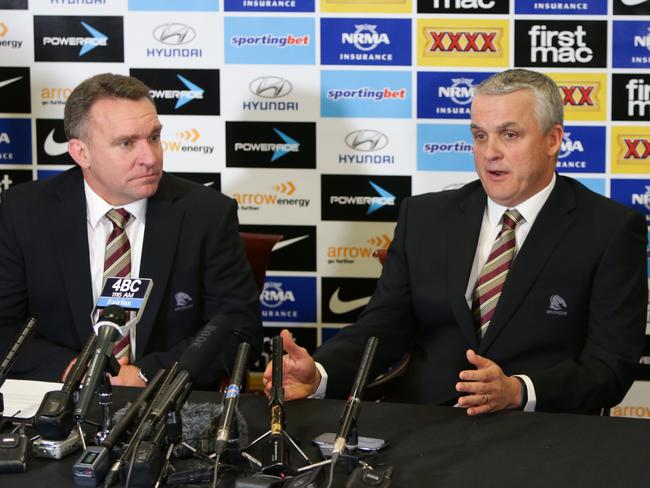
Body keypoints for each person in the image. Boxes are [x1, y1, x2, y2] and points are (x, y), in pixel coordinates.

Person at [264, 69, 648, 415]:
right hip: (426, 421)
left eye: (509, 135)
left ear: (553, 140)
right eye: (480, 136)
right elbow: (384, 326)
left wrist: (518, 391)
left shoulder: (610, 229)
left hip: (540, 429)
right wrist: (319, 373)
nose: (490, 152)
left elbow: (609, 367)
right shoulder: (425, 217)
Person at [0, 73, 263, 388]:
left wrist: (144, 376)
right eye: (127, 143)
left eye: (153, 137)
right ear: (80, 152)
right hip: (60, 399)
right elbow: (3, 326)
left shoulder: (206, 214)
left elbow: (238, 327)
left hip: (165, 404)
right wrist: (75, 369)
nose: (150, 158)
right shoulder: (24, 211)